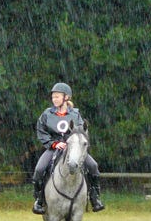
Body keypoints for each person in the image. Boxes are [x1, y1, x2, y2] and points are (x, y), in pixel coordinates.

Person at [32, 82, 105, 214]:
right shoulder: (47, 114)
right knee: (39, 169)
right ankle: (39, 200)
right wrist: (54, 143)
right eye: (53, 97)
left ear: (66, 98)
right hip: (54, 148)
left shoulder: (76, 115)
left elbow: (83, 132)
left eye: (57, 97)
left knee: (93, 166)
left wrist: (72, 143)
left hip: (74, 149)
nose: (54, 99)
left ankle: (95, 197)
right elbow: (41, 131)